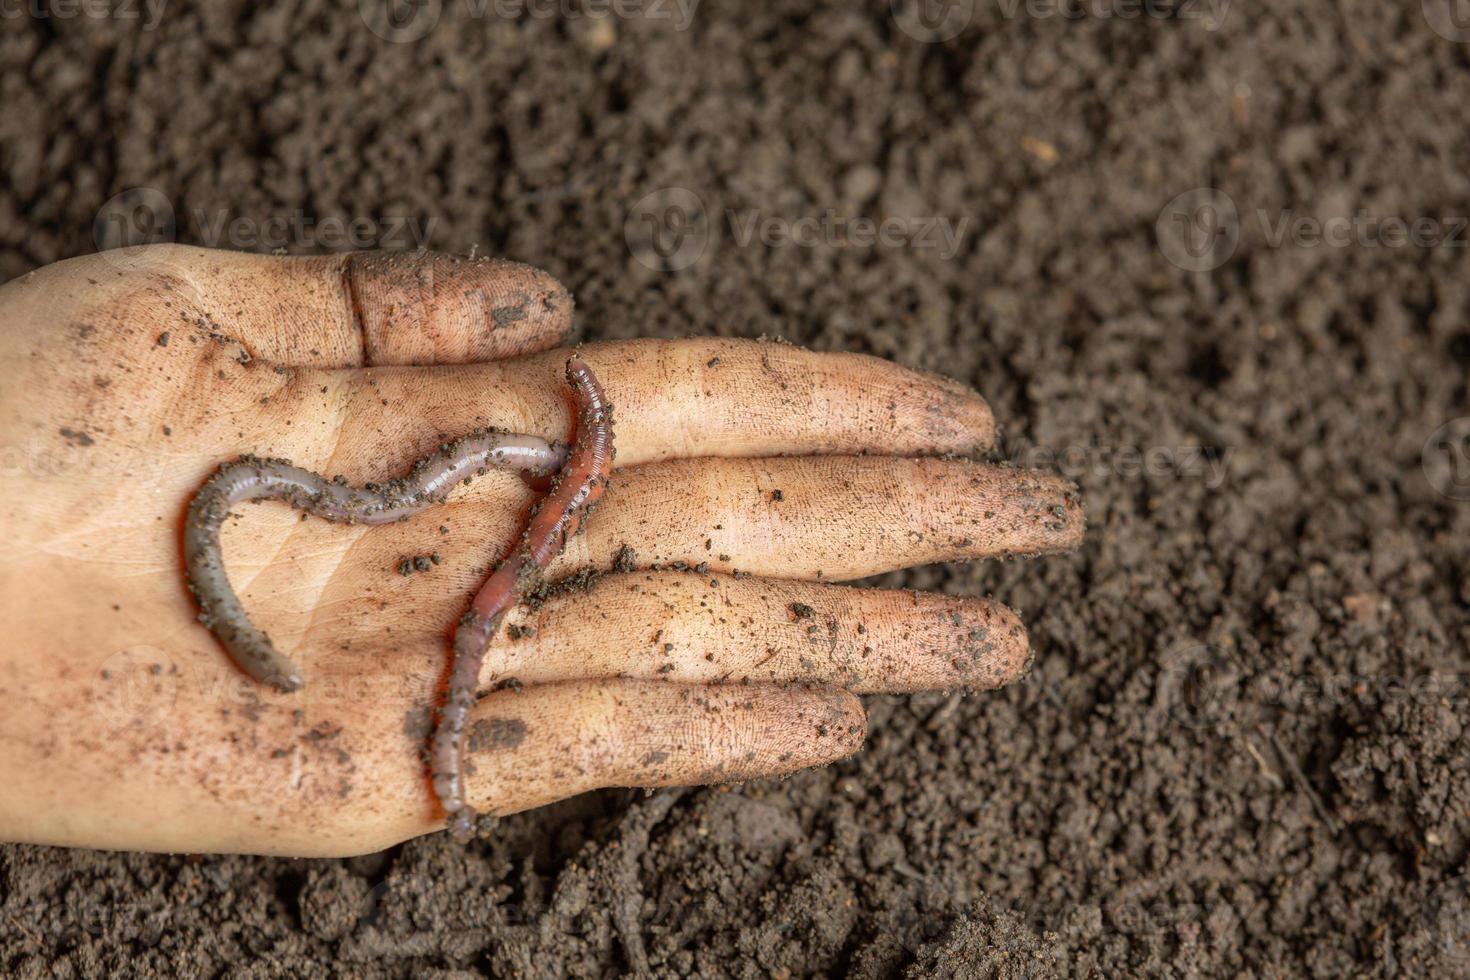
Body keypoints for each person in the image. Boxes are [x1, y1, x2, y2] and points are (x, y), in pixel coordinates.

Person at [0, 246, 1082, 856]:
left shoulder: (561, 466)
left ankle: (457, 760)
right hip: (516, 460)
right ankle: (450, 764)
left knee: (410, 517)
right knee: (381, 507)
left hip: (541, 461)